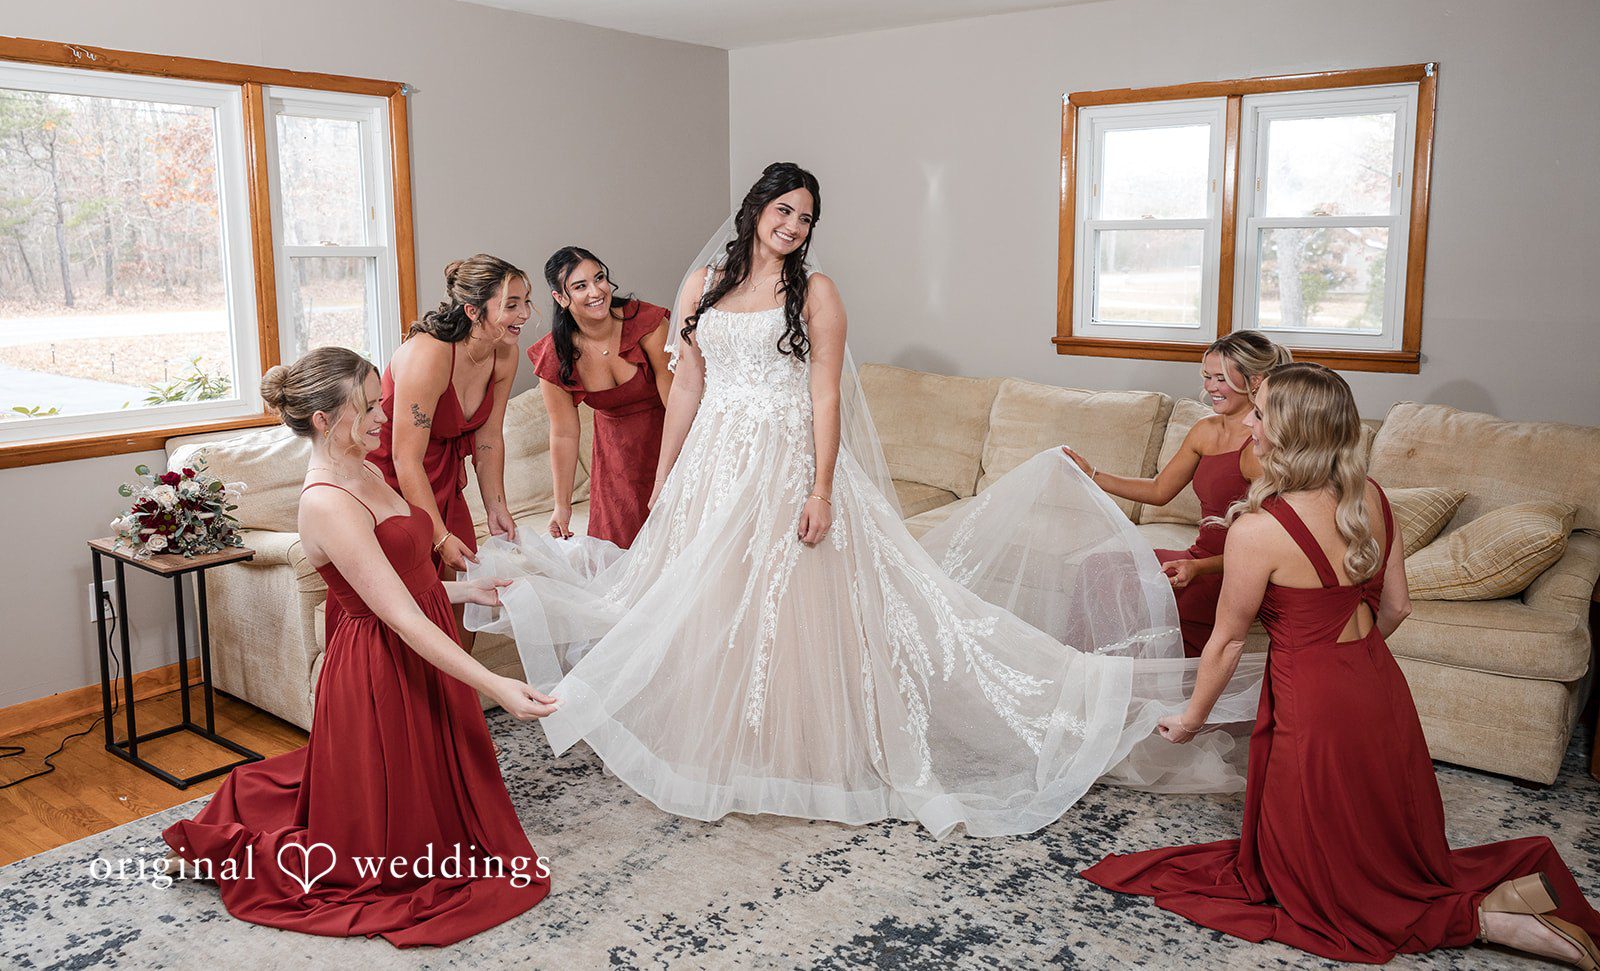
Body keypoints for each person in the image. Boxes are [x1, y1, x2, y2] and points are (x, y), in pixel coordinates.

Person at [466, 162, 1265, 840]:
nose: (792, 224)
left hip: (787, 459)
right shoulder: (701, 283)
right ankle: (737, 737)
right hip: (716, 458)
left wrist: (819, 487)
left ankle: (810, 745)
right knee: (712, 598)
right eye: (783, 209)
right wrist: (668, 478)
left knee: (804, 604)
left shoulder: (816, 291)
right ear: (755, 210)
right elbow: (689, 388)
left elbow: (823, 399)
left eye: (805, 216)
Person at [1080, 363, 1600, 968]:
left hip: (1311, 697)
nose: (1248, 420)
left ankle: (1491, 920)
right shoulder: (1371, 497)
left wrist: (1193, 719)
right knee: (1369, 827)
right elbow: (1397, 607)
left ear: (1291, 431)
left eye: (1262, 411)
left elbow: (1223, 644)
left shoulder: (1256, 530)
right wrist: (1348, 658)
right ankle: (1507, 897)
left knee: (1321, 878)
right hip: (1376, 679)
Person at [163, 347, 557, 948]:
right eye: (368, 406)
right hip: (383, 663)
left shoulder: (366, 469)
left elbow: (402, 578)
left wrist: (465, 588)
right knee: (378, 853)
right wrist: (495, 684)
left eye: (379, 402)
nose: (383, 416)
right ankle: (232, 857)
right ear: (323, 419)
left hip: (418, 637)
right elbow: (395, 615)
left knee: (430, 797)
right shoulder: (326, 501)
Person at [1063, 331, 1290, 656]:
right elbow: (1159, 490)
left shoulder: (1259, 447)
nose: (1211, 387)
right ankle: (1089, 676)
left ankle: (1111, 678)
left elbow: (1272, 546)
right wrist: (1093, 475)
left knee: (1129, 589)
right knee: (1098, 568)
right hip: (1197, 558)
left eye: (1221, 378)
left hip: (1231, 573)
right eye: (1207, 377)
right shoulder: (1204, 431)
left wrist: (1198, 569)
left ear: (1255, 381)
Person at [368, 255, 532, 650]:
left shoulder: (504, 353)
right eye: (511, 305)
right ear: (473, 310)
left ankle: (456, 704)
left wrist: (496, 506)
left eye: (526, 301)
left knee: (465, 603)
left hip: (444, 481)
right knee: (416, 601)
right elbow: (405, 459)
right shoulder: (429, 355)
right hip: (393, 485)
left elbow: (489, 437)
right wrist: (438, 536)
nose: (524, 314)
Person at [527, 247, 671, 548]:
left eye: (599, 278)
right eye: (580, 286)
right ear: (561, 299)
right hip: (615, 464)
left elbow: (678, 402)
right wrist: (562, 506)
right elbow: (564, 434)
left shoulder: (648, 324)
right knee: (620, 556)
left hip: (668, 443)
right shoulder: (555, 355)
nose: (596, 291)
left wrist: (679, 469)